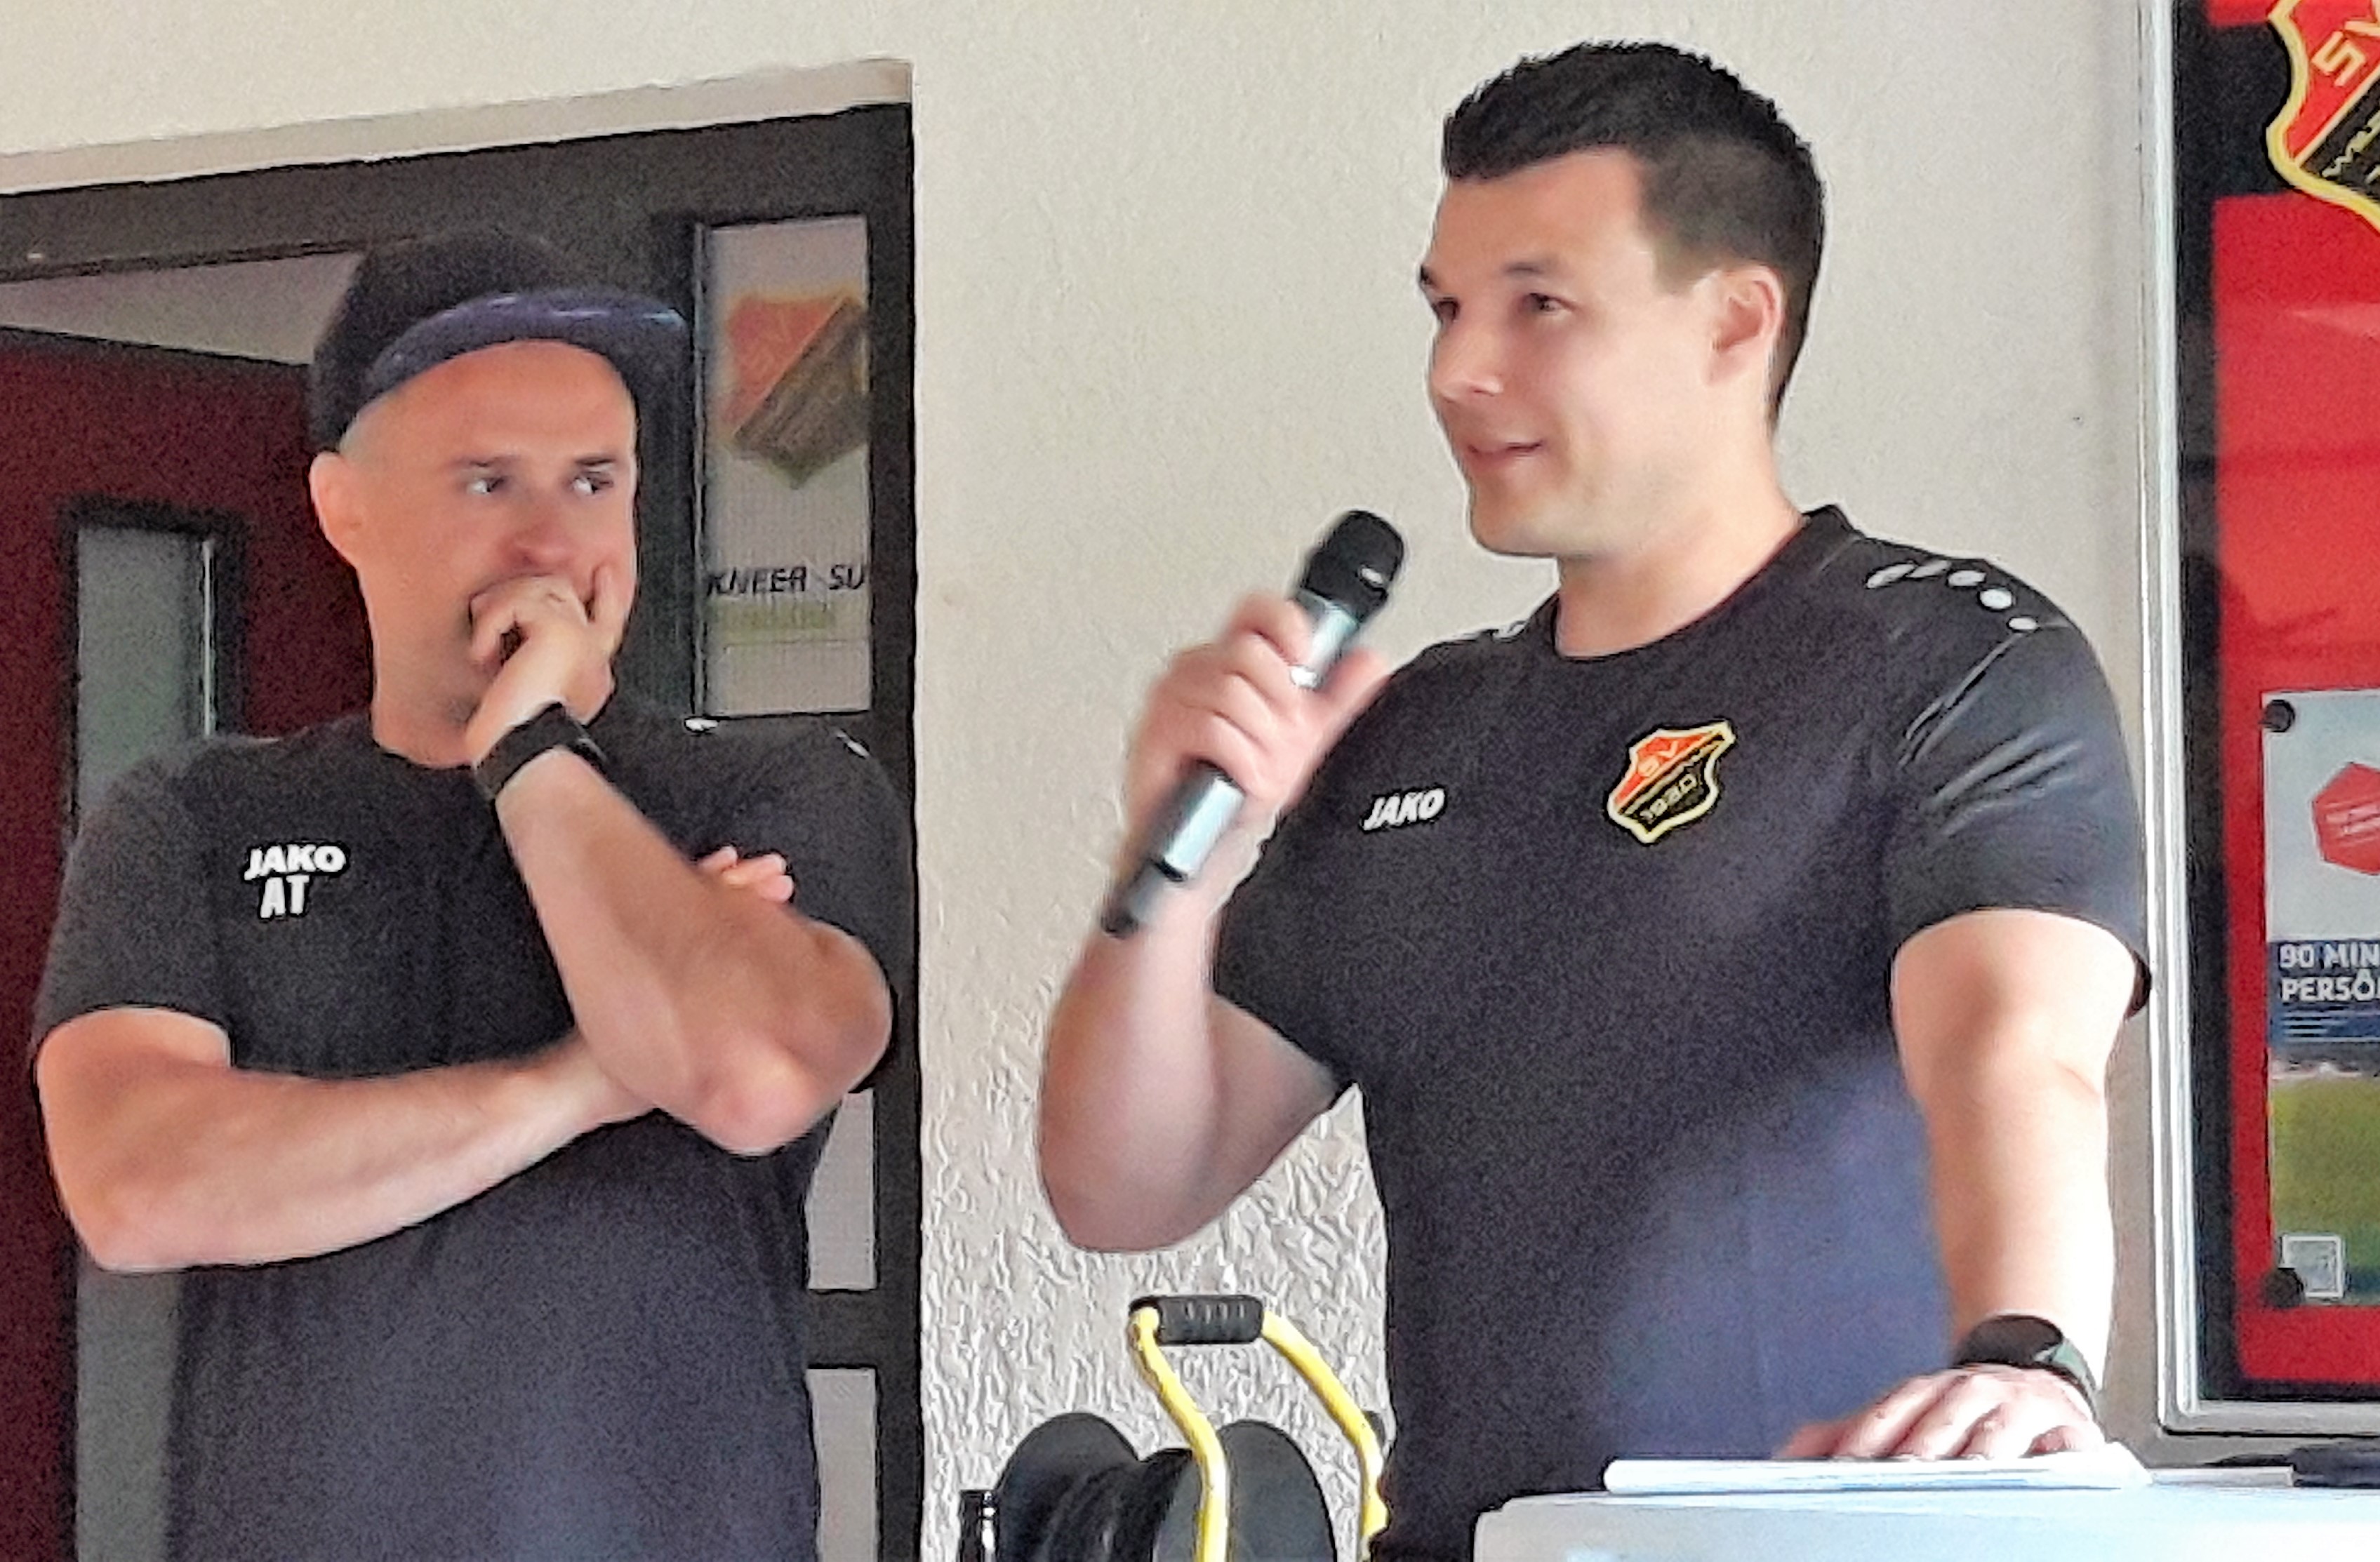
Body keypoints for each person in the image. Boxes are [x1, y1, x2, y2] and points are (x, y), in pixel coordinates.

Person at [1038, 42, 2145, 1561]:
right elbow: (1122, 1187)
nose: (1458, 372)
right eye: (1444, 309)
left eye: (1537, 307)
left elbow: (2015, 1050)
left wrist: (2028, 1360)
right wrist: (1170, 861)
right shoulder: (1418, 725)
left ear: (1735, 321)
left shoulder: (1948, 664)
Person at [30, 232, 908, 1561]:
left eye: (593, 480)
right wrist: (581, 1080)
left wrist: (530, 751)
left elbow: (751, 1074)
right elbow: (139, 1186)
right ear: (344, 509)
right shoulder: (197, 814)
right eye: (488, 481)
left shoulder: (776, 789)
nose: (550, 538)